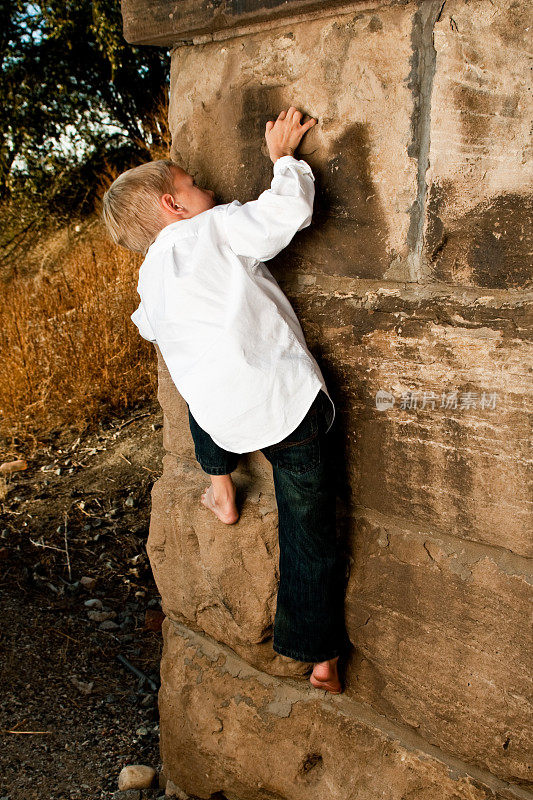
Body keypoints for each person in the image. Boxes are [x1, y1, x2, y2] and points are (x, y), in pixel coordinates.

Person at [102, 106, 352, 694]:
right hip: (286, 409)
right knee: (307, 523)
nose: (207, 187)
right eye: (195, 184)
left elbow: (158, 332)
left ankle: (219, 484)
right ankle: (318, 655)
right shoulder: (210, 228)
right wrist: (284, 160)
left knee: (198, 380)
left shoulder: (150, 276)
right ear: (174, 206)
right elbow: (284, 215)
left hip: (222, 414)